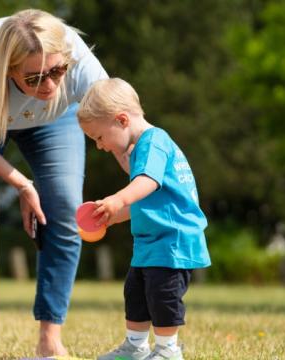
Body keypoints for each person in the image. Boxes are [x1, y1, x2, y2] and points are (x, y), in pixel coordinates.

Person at [0, 9, 108, 357]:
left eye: (57, 72)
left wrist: (143, 179)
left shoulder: (81, 66)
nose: (49, 86)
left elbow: (124, 124)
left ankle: (50, 337)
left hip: (54, 121)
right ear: (10, 69)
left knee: (64, 205)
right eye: (34, 78)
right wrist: (21, 183)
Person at [76, 78, 211, 360]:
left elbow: (146, 183)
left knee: (163, 296)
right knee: (136, 294)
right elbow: (146, 200)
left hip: (172, 240)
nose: (99, 146)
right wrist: (113, 216)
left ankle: (167, 351)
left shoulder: (154, 142)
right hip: (152, 242)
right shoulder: (140, 148)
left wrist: (117, 199)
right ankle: (135, 347)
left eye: (99, 137)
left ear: (122, 119)